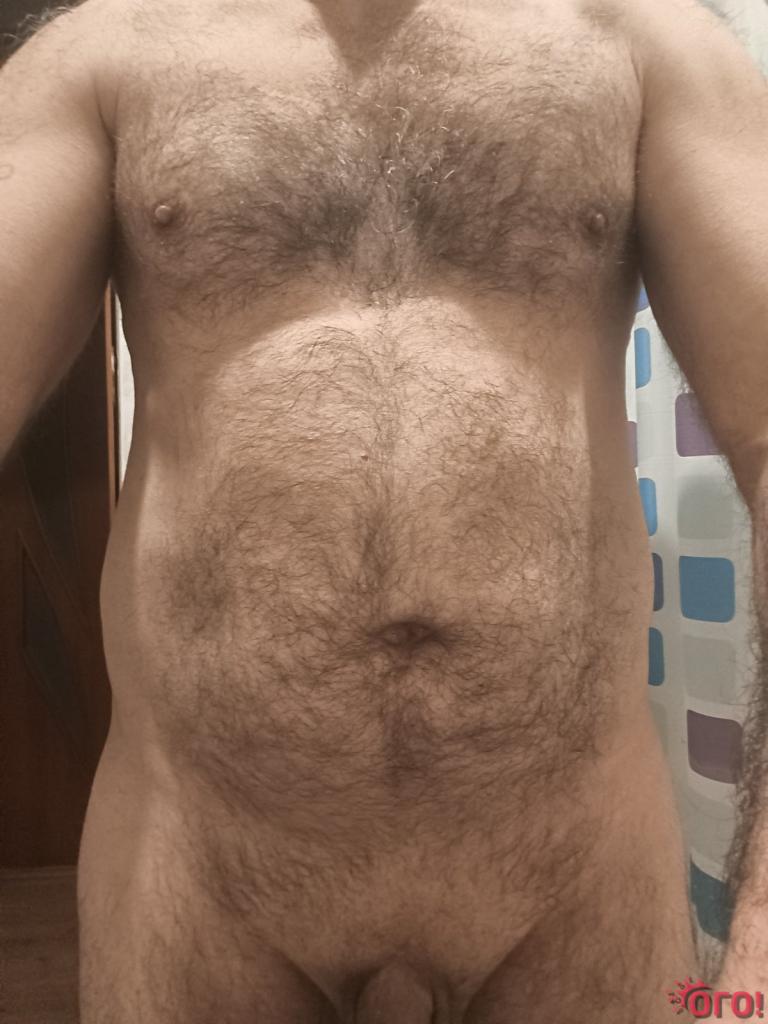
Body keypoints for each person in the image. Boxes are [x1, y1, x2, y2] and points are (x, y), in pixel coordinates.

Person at [2, 0, 767, 1020]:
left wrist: (760, 951)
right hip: (198, 878)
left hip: (580, 881)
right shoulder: (106, 57)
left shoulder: (642, 43)